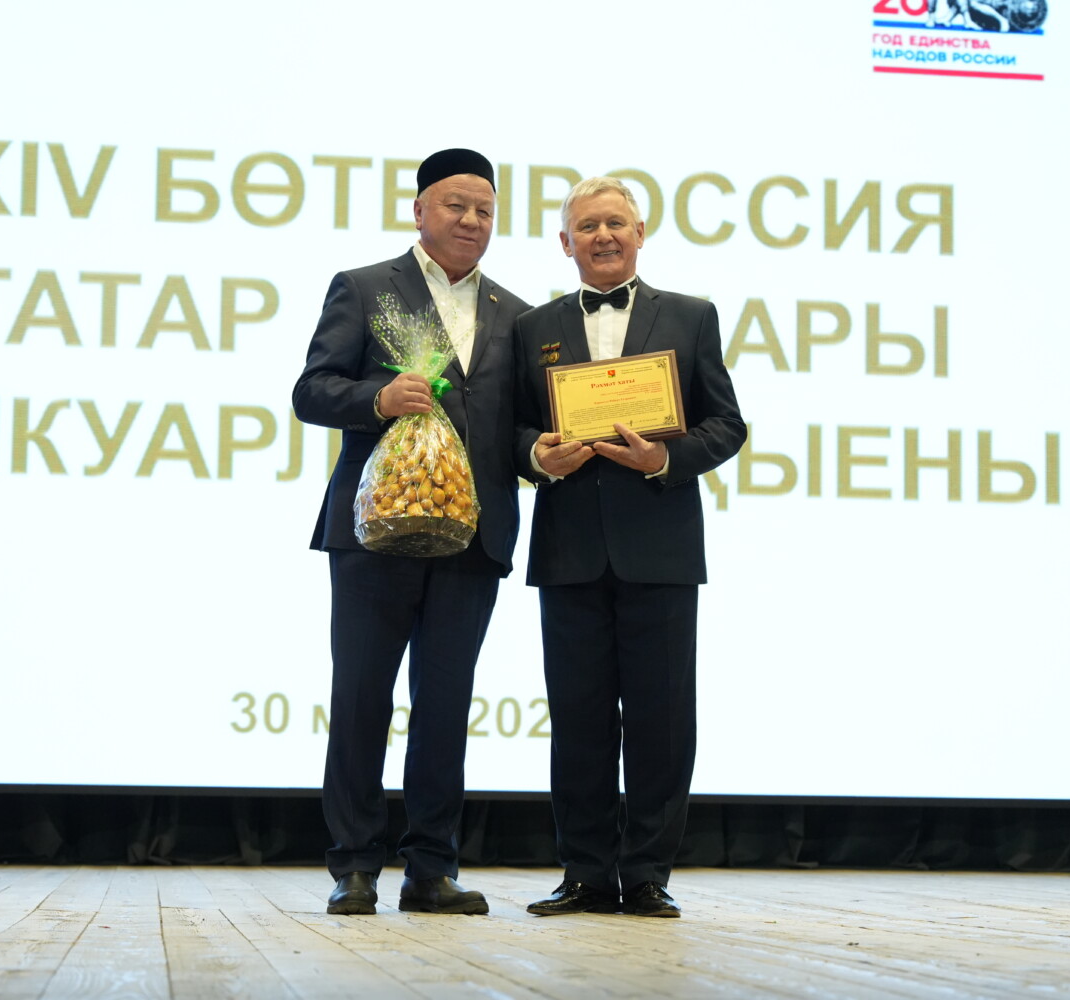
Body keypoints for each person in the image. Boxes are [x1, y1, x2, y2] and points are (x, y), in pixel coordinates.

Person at [292, 148, 529, 916]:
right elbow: (311, 391)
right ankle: (354, 865)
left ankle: (431, 868)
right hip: (376, 529)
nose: (471, 220)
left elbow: (513, 426)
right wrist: (378, 399)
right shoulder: (365, 288)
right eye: (456, 205)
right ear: (419, 209)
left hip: (472, 533)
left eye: (485, 210)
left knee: (445, 707)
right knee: (362, 697)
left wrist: (540, 455)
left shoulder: (517, 313)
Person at [513, 176, 745, 918]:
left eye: (616, 222)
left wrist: (665, 458)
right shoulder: (532, 326)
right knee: (578, 720)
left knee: (662, 721)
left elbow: (727, 424)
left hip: (661, 548)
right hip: (569, 552)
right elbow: (511, 429)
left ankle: (647, 874)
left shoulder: (692, 316)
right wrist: (536, 454)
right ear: (566, 242)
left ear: (641, 234)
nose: (604, 236)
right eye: (588, 226)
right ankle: (584, 873)